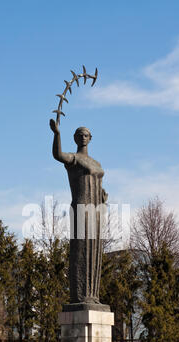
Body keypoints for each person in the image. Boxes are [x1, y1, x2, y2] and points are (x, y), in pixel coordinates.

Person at [49, 118, 107, 305]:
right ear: (75, 138)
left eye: (86, 135)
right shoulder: (74, 159)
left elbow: (97, 182)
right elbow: (57, 155)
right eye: (80, 135)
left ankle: (92, 295)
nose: (83, 137)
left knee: (95, 250)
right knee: (80, 250)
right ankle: (80, 296)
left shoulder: (96, 162)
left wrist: (102, 193)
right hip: (81, 207)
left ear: (90, 138)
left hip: (97, 209)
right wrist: (57, 134)